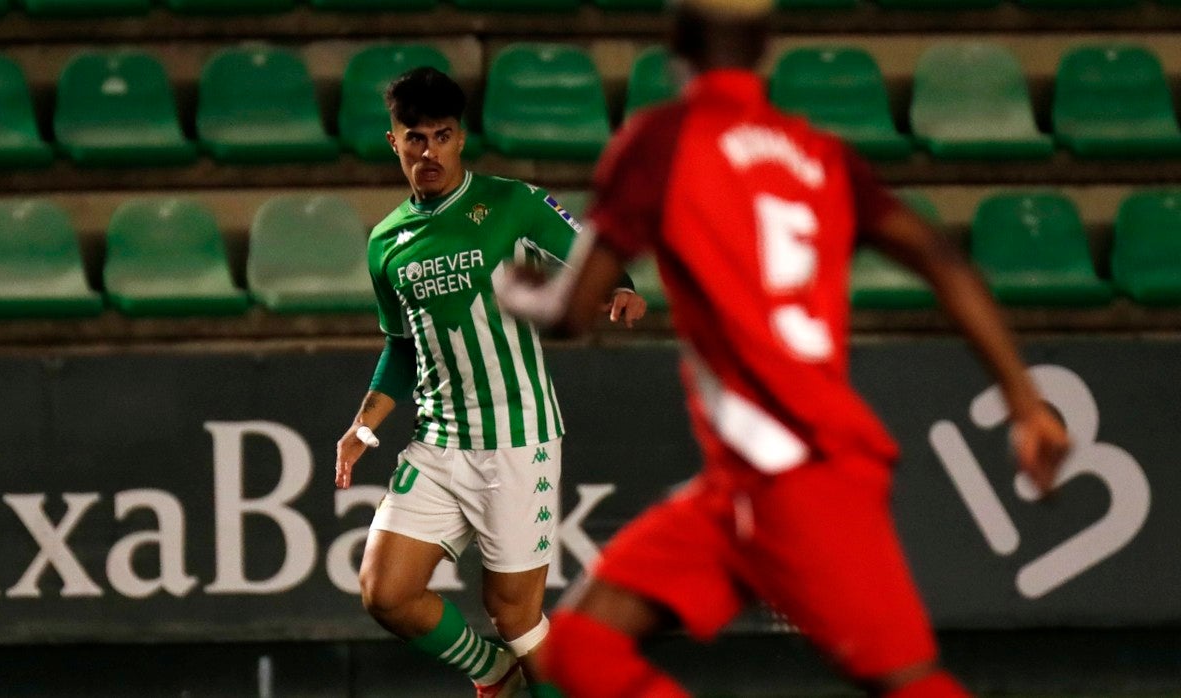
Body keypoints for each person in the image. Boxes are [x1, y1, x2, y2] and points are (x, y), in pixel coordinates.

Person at [492, 1, 1072, 696]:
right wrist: (1025, 404)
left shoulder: (663, 143)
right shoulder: (820, 153)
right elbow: (943, 259)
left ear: (673, 41)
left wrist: (514, 285)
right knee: (583, 648)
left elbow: (571, 312)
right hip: (741, 483)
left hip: (801, 474)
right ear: (767, 45)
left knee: (912, 685)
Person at [334, 66, 646, 698]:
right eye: (415, 139)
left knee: (515, 615)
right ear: (394, 142)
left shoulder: (513, 203)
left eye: (442, 136)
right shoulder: (385, 242)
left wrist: (621, 290)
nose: (429, 152)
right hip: (439, 442)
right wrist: (364, 426)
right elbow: (401, 344)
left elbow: (592, 252)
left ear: (461, 138)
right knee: (385, 593)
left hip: (517, 437)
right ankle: (492, 672)